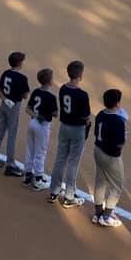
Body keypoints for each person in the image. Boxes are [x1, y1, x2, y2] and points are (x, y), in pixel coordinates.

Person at [47, 60, 91, 208]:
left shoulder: (63, 89)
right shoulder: (82, 95)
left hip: (64, 127)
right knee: (73, 162)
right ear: (80, 75)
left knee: (60, 158)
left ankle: (54, 190)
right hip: (77, 129)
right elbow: (86, 117)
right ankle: (69, 195)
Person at [0, 51, 29, 177]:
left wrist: (5, 99)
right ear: (19, 63)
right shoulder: (22, 78)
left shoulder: (5, 73)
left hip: (4, 103)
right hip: (14, 106)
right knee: (12, 134)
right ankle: (10, 164)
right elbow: (25, 95)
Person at [92, 88, 128, 228]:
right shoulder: (118, 121)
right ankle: (106, 216)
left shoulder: (101, 114)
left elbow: (96, 132)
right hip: (111, 156)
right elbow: (121, 141)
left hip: (98, 150)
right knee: (117, 186)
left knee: (101, 181)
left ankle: (98, 213)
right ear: (117, 103)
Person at [23, 67, 57, 190]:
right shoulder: (51, 97)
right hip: (43, 126)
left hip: (32, 122)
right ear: (49, 81)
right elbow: (55, 114)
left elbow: (28, 109)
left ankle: (27, 176)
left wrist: (36, 116)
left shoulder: (36, 92)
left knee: (30, 150)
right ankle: (38, 180)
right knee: (40, 153)